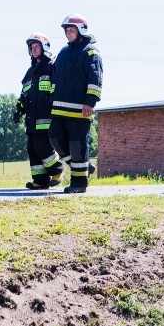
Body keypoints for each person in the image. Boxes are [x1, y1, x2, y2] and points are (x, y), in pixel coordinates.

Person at [49, 13, 103, 194]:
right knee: (54, 137)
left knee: (77, 146)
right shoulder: (63, 52)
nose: (69, 33)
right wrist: (52, 97)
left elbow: (95, 79)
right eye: (67, 30)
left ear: (81, 30)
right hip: (59, 108)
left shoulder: (90, 52)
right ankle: (85, 166)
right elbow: (54, 77)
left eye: (72, 30)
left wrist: (90, 102)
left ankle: (79, 183)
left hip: (80, 109)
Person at [13, 32, 65, 190]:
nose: (33, 49)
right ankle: (40, 180)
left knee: (42, 144)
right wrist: (19, 109)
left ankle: (57, 170)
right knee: (32, 147)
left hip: (46, 116)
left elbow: (57, 90)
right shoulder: (30, 72)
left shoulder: (52, 67)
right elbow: (24, 94)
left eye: (36, 46)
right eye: (31, 47)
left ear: (44, 47)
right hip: (31, 118)